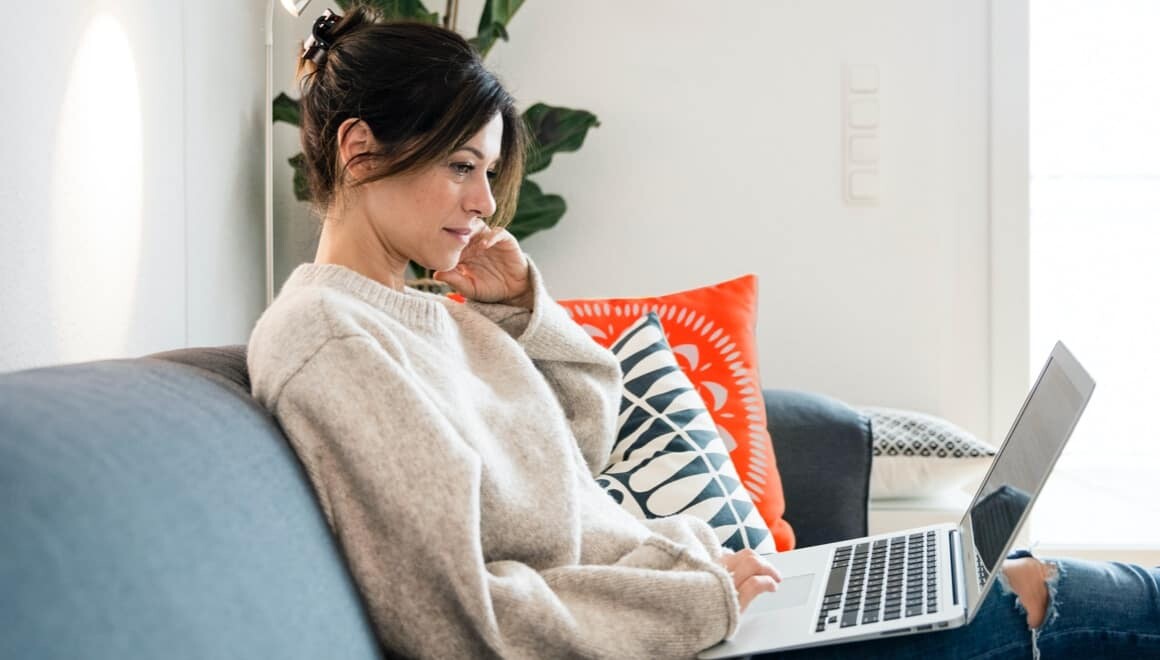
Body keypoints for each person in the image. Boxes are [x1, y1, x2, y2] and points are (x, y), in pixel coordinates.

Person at [247, 6, 1160, 659]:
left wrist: (522, 312)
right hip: (678, 631)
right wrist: (697, 603)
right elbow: (458, 620)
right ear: (360, 150)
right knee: (1033, 605)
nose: (486, 203)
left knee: (1017, 578)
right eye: (461, 166)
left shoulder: (437, 312)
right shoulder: (327, 339)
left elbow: (585, 440)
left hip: (704, 601)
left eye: (487, 171)